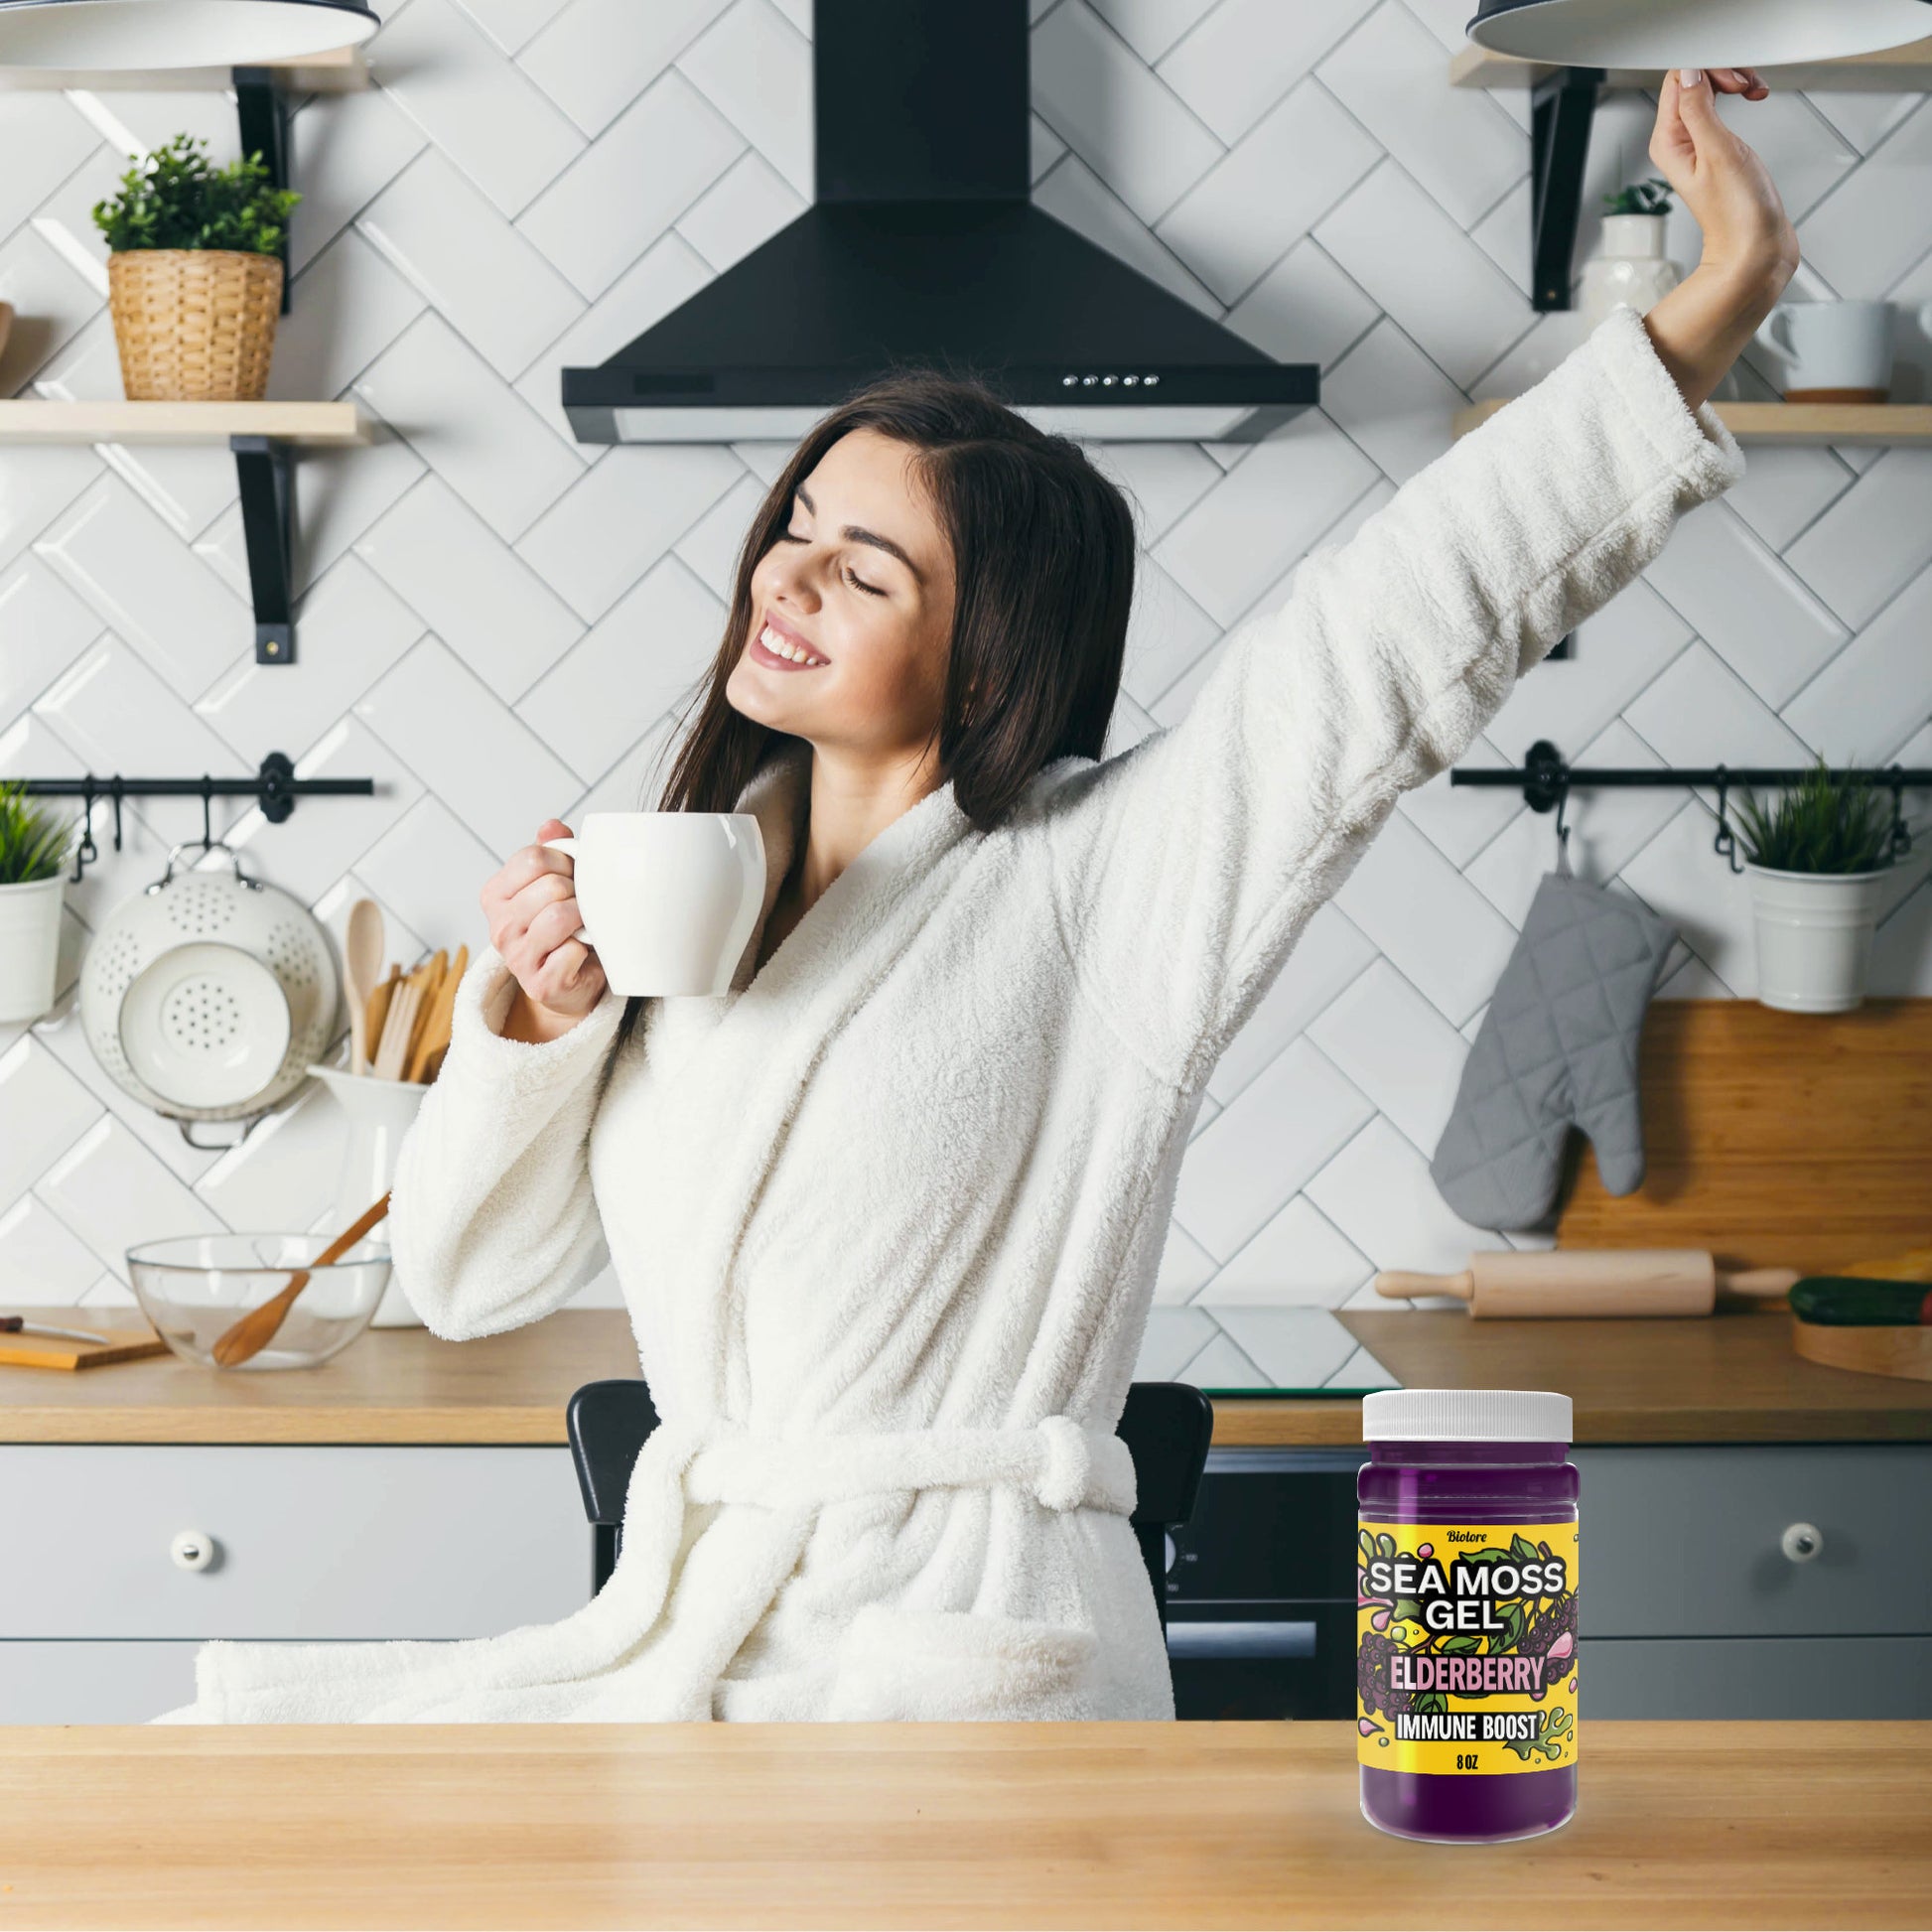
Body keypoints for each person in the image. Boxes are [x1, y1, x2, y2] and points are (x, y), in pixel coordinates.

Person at [154, 68, 1794, 1725]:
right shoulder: (696, 893)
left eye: (865, 569)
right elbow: (462, 1279)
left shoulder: (1104, 878)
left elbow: (1389, 630)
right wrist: (544, 1024)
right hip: (708, 1661)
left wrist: (1717, 296)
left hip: (959, 1671)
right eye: (797, 528)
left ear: (989, 649)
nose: (783, 576)